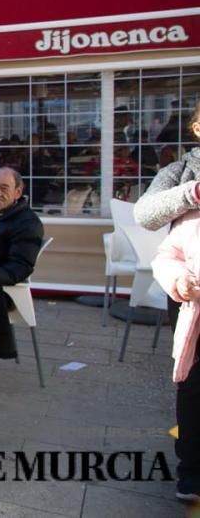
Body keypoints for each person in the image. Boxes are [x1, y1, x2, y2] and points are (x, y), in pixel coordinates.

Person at [133, 98, 200, 504]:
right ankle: (191, 468)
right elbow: (146, 213)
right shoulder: (180, 170)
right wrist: (192, 193)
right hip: (190, 292)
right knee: (193, 383)